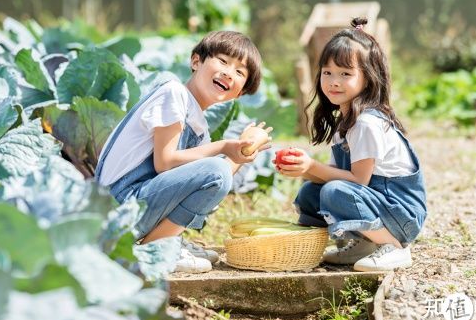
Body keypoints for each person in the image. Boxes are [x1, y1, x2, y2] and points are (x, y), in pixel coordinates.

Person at [96, 30, 271, 273]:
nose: (228, 72)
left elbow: (213, 185)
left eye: (239, 72)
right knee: (217, 169)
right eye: (222, 61)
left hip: (135, 208)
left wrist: (240, 154)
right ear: (196, 61)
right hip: (116, 209)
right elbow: (165, 163)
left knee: (218, 173)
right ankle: (155, 248)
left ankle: (167, 241)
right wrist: (223, 147)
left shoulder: (198, 125)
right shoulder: (174, 93)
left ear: (240, 93)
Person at [274, 17, 427, 271]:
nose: (334, 81)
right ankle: (364, 243)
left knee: (334, 192)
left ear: (368, 78)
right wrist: (302, 169)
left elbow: (357, 182)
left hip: (401, 215)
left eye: (345, 74)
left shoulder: (367, 123)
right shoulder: (345, 120)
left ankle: (396, 247)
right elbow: (335, 175)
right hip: (378, 203)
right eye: (327, 73)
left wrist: (312, 164)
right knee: (311, 192)